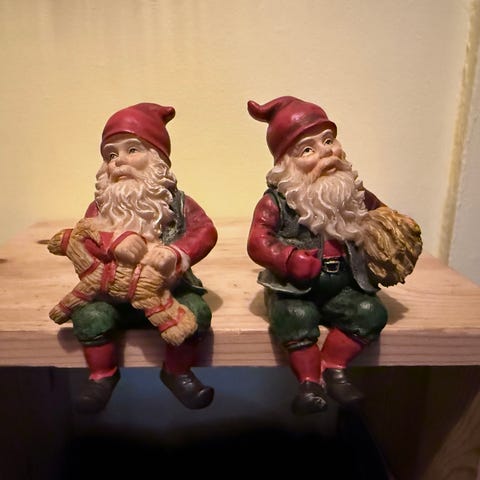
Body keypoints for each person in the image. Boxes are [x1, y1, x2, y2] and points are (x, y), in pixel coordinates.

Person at [246, 96, 422, 415]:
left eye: (328, 140)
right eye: (308, 149)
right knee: (294, 316)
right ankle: (308, 382)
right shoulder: (276, 202)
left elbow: (383, 217)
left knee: (369, 313)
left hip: (346, 284)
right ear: (286, 165)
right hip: (295, 288)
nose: (326, 152)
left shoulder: (353, 194)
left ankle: (334, 368)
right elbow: (258, 241)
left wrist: (394, 231)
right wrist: (288, 258)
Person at [48, 102, 218, 413]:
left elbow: (204, 232)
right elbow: (85, 239)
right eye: (110, 155)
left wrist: (175, 253)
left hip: (166, 291)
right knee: (89, 318)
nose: (119, 162)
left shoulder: (177, 203)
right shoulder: (100, 208)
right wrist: (112, 245)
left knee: (196, 312)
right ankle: (102, 376)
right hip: (111, 293)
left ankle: (177, 371)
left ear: (157, 159)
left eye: (132, 150)